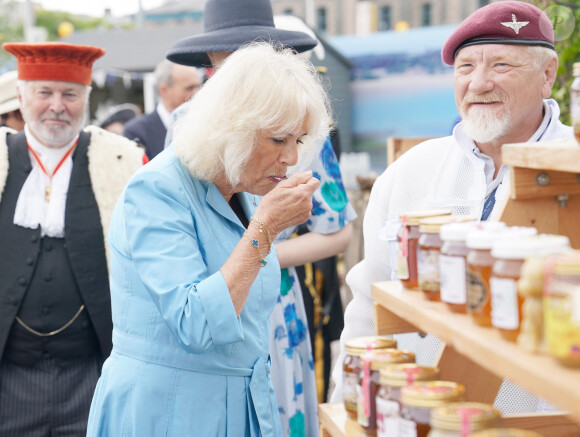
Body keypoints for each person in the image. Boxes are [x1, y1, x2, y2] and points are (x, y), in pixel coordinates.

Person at [330, 0, 573, 409]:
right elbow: (369, 302)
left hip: (540, 420)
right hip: (420, 415)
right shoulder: (410, 171)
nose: (478, 83)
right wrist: (345, 407)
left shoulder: (573, 164)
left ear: (547, 76)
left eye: (501, 66)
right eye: (465, 68)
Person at [86, 42, 330, 437]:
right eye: (278, 140)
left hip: (235, 406)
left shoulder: (245, 190)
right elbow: (195, 323)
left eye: (298, 142)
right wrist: (265, 230)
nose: (290, 159)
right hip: (167, 412)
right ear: (232, 126)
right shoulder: (157, 189)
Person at [166, 1, 356, 434]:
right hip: (207, 297)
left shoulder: (302, 124)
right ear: (210, 65)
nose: (241, 75)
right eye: (228, 62)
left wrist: (261, 250)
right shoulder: (183, 123)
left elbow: (337, 232)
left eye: (254, 59)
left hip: (275, 306)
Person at [0, 42, 146, 436]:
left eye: (70, 94)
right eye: (44, 93)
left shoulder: (125, 162)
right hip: (7, 381)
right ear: (23, 95)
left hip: (93, 376)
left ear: (86, 97)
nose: (57, 106)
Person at [123, 59, 202, 159]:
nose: (198, 93)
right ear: (164, 90)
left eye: (198, 86)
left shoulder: (204, 124)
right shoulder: (137, 132)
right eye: (189, 88)